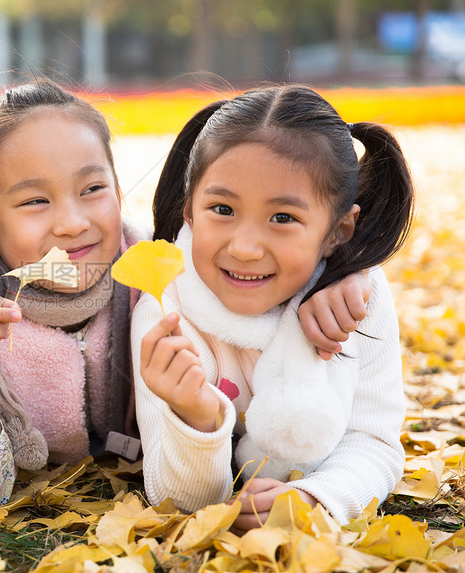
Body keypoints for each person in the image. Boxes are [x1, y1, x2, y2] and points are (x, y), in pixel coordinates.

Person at [0, 80, 377, 506]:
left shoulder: (151, 278)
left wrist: (346, 271)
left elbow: (281, 228)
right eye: (35, 200)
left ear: (118, 190)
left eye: (92, 189)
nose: (73, 224)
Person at [133, 84, 414, 528]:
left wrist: (314, 499)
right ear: (188, 210)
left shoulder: (360, 302)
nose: (244, 248)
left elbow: (373, 442)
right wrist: (197, 419)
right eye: (222, 208)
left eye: (283, 218)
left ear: (339, 230)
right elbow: (174, 498)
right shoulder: (165, 309)